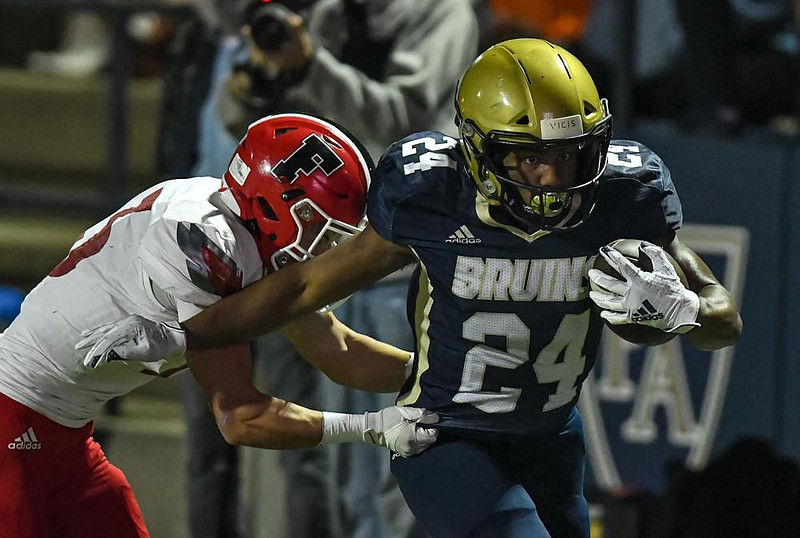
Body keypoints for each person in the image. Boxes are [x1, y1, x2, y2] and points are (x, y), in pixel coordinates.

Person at [87, 38, 743, 537]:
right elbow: (304, 286)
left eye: (570, 154)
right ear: (479, 150)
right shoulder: (433, 195)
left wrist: (685, 312)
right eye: (528, 155)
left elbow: (723, 320)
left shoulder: (626, 196)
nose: (550, 176)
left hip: (552, 436)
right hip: (445, 432)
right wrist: (185, 326)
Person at [0, 113, 438, 538]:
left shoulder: (249, 236)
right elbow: (241, 417)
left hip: (65, 435)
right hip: (13, 420)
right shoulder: (205, 240)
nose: (332, 251)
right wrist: (371, 428)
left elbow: (340, 352)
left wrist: (444, 375)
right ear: (277, 207)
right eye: (324, 232)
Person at [156, 1, 478, 536]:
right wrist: (259, 79)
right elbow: (257, 126)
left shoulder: (440, 11)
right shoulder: (329, 13)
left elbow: (403, 122)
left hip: (403, 260)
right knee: (348, 473)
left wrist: (310, 68)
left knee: (398, 472)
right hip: (329, 254)